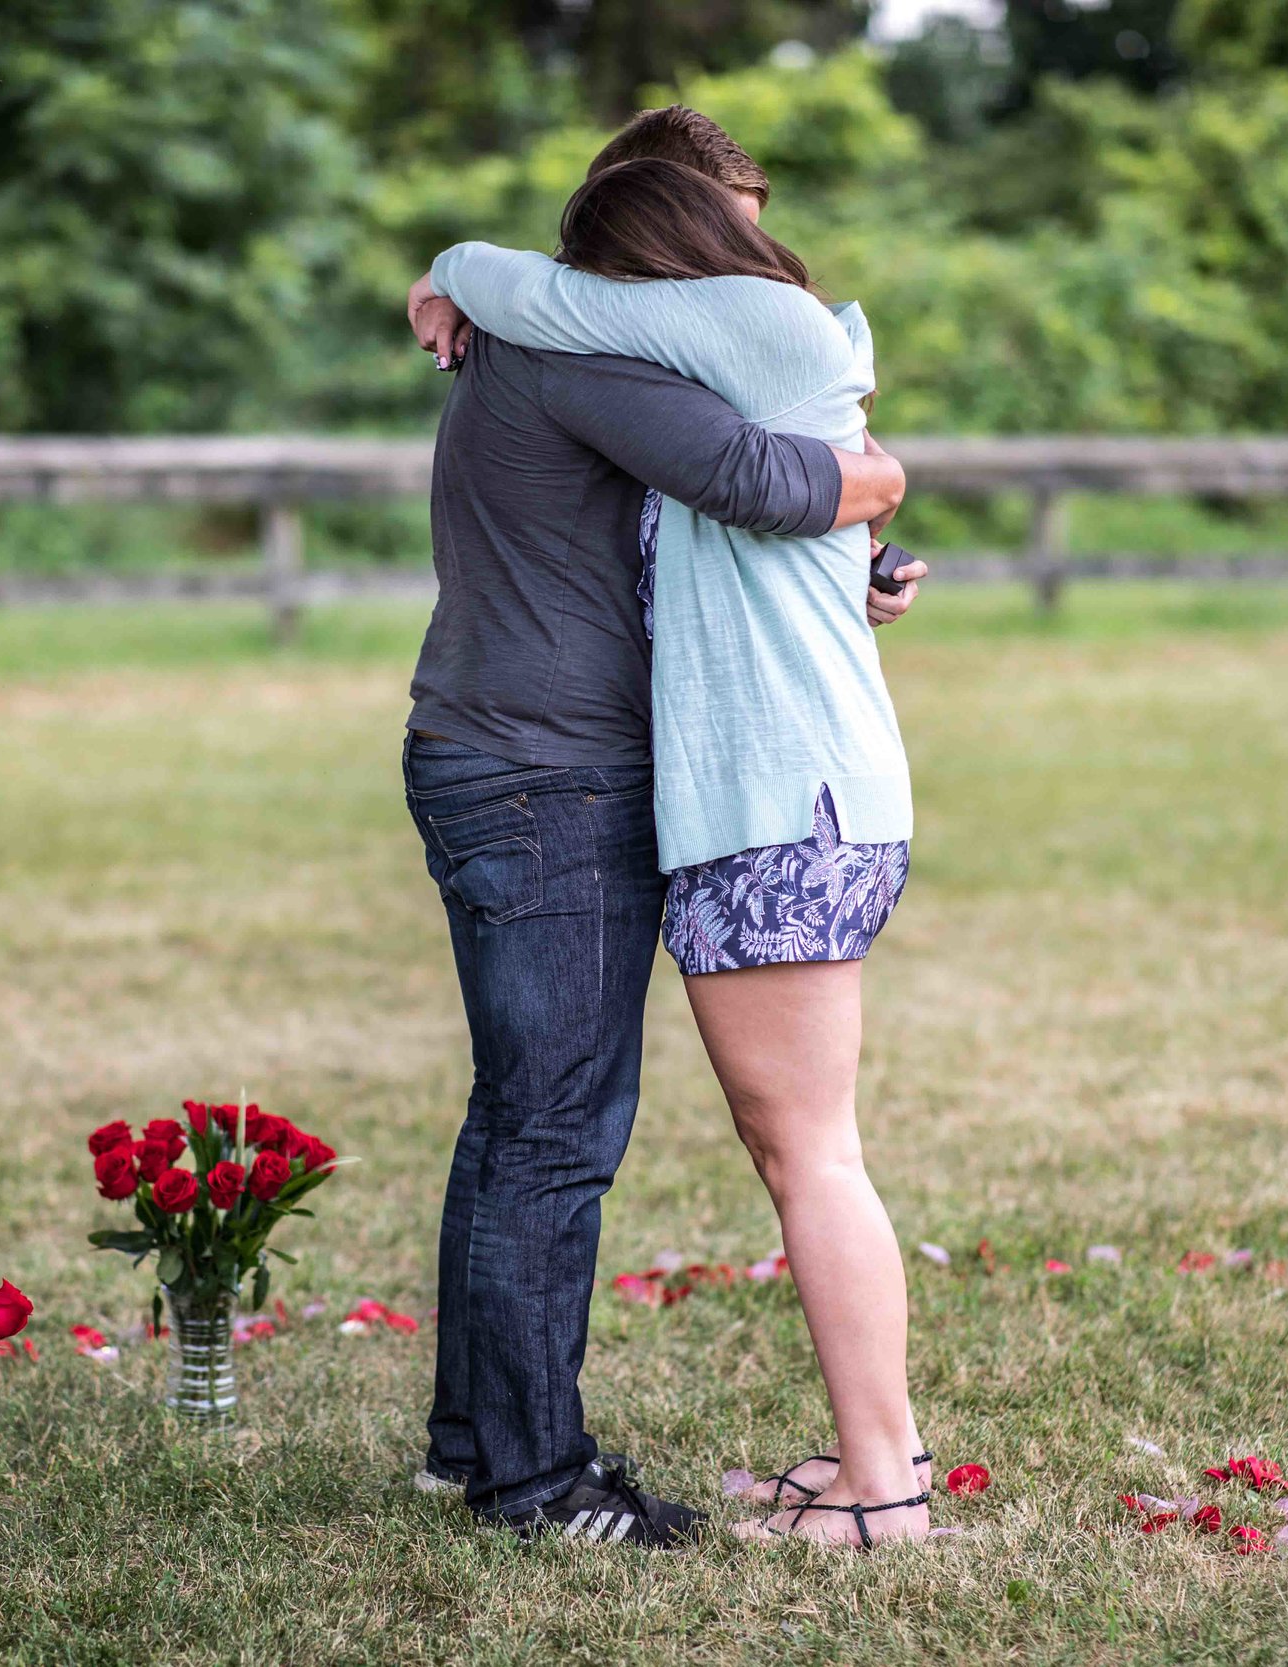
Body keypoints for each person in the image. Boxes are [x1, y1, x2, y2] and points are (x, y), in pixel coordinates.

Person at [398, 110, 924, 1550]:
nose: (751, 268)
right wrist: (874, 483)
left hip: (525, 759)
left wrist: (858, 570)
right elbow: (761, 480)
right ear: (668, 241)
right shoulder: (580, 350)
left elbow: (712, 536)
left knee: (525, 1115)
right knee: (554, 1126)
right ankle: (533, 1479)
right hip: (546, 774)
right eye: (734, 231)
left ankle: (475, 1444)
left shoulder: (564, 342)